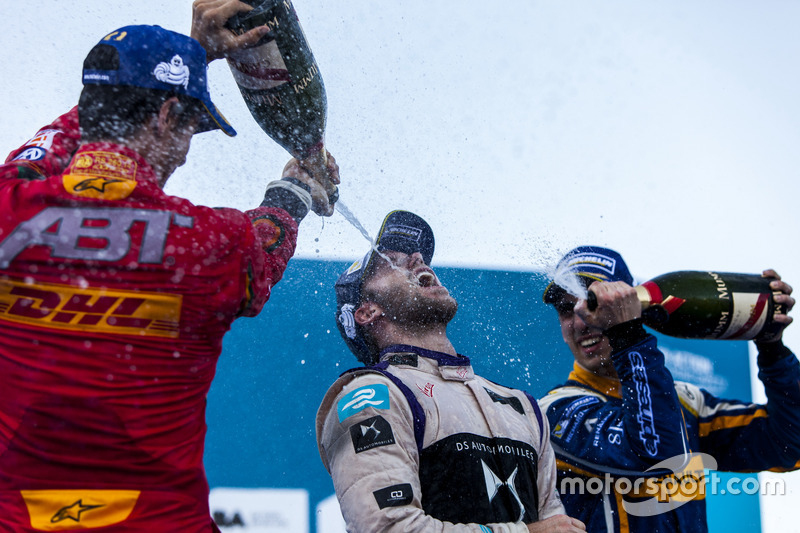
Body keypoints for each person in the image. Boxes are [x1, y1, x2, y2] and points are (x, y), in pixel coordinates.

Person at [0, 3, 339, 531]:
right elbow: (265, 249)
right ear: (164, 118)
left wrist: (187, 59)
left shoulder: (7, 215)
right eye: (190, 128)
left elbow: (35, 158)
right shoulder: (214, 243)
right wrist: (294, 188)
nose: (182, 153)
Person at [315, 210, 585, 533]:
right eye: (391, 260)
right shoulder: (372, 396)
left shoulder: (521, 405)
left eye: (416, 254)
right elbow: (389, 529)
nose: (417, 259)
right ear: (367, 311)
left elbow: (557, 527)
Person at [538, 246, 800, 532]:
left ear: (630, 301)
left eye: (592, 300)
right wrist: (627, 333)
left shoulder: (686, 403)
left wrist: (772, 349)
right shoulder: (553, 414)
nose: (580, 320)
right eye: (565, 310)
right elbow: (658, 457)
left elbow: (789, 443)